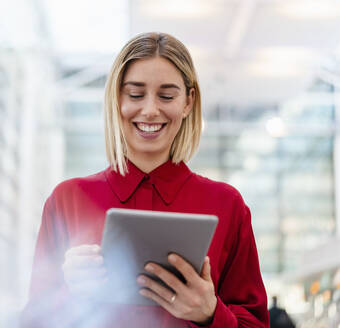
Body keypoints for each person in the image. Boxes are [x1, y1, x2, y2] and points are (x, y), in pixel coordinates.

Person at [20, 32, 269, 327]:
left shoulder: (227, 204)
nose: (150, 110)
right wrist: (68, 293)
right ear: (117, 98)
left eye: (167, 95)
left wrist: (209, 313)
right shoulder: (67, 199)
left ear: (188, 102)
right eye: (135, 94)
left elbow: (255, 324)